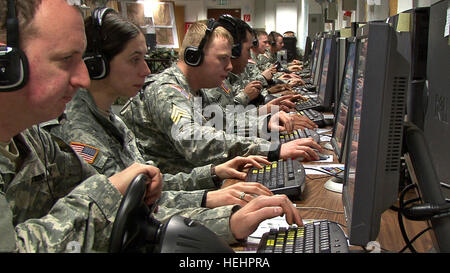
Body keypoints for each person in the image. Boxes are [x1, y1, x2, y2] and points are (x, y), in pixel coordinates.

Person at [0, 0, 302, 252]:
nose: (81, 78)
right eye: (67, 59)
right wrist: (269, 147)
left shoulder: (37, 139)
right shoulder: (79, 127)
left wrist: (213, 185)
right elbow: (121, 203)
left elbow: (140, 199)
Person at [120, 20, 322, 175]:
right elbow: (196, 140)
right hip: (174, 193)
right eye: (222, 59)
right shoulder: (167, 90)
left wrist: (266, 122)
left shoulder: (195, 88)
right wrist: (273, 149)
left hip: (201, 177)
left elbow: (222, 121)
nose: (230, 66)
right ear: (194, 57)